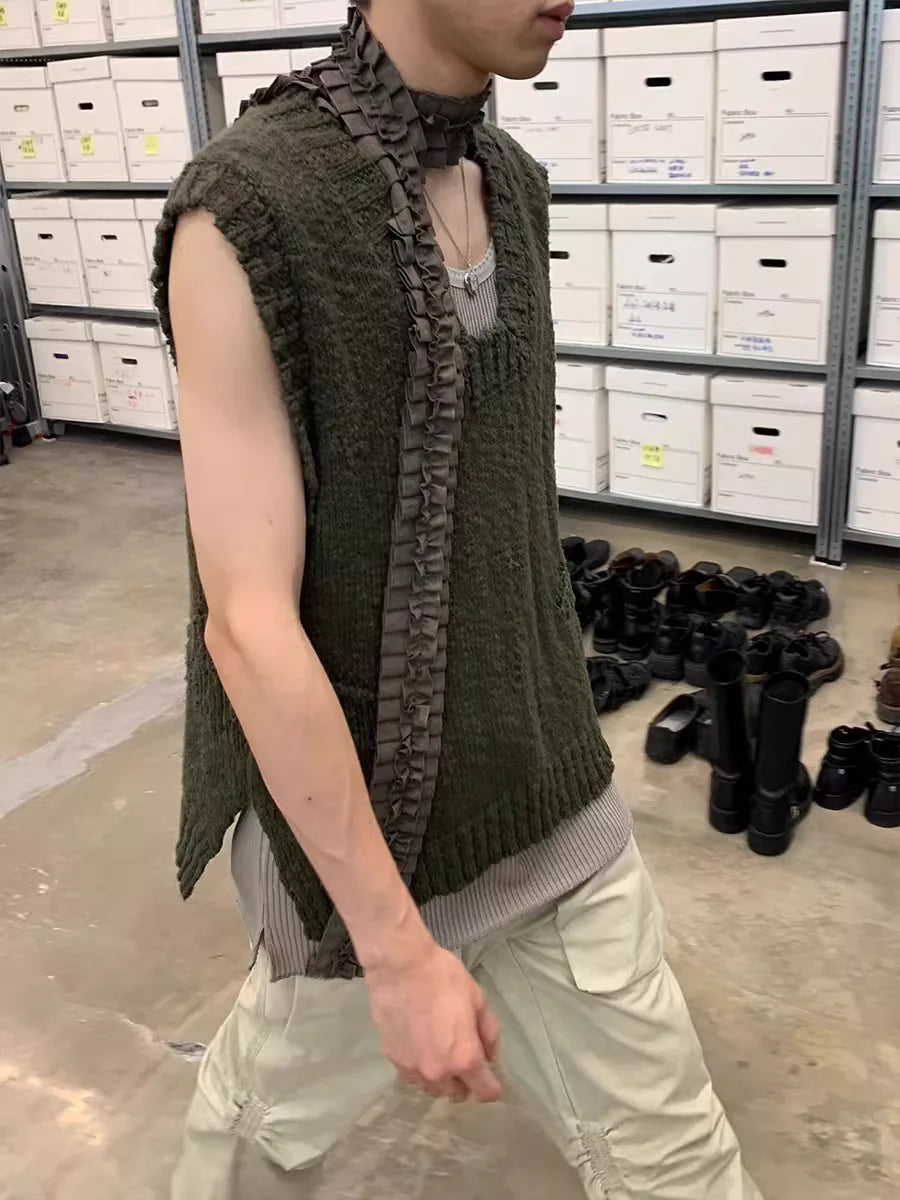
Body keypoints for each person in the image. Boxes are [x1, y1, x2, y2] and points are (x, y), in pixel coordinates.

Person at [155, 1, 763, 1196]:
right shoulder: (247, 210)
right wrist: (394, 950)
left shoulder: (514, 187)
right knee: (256, 1143)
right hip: (355, 853)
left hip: (548, 791)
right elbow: (247, 620)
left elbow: (504, 521)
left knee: (681, 1160)